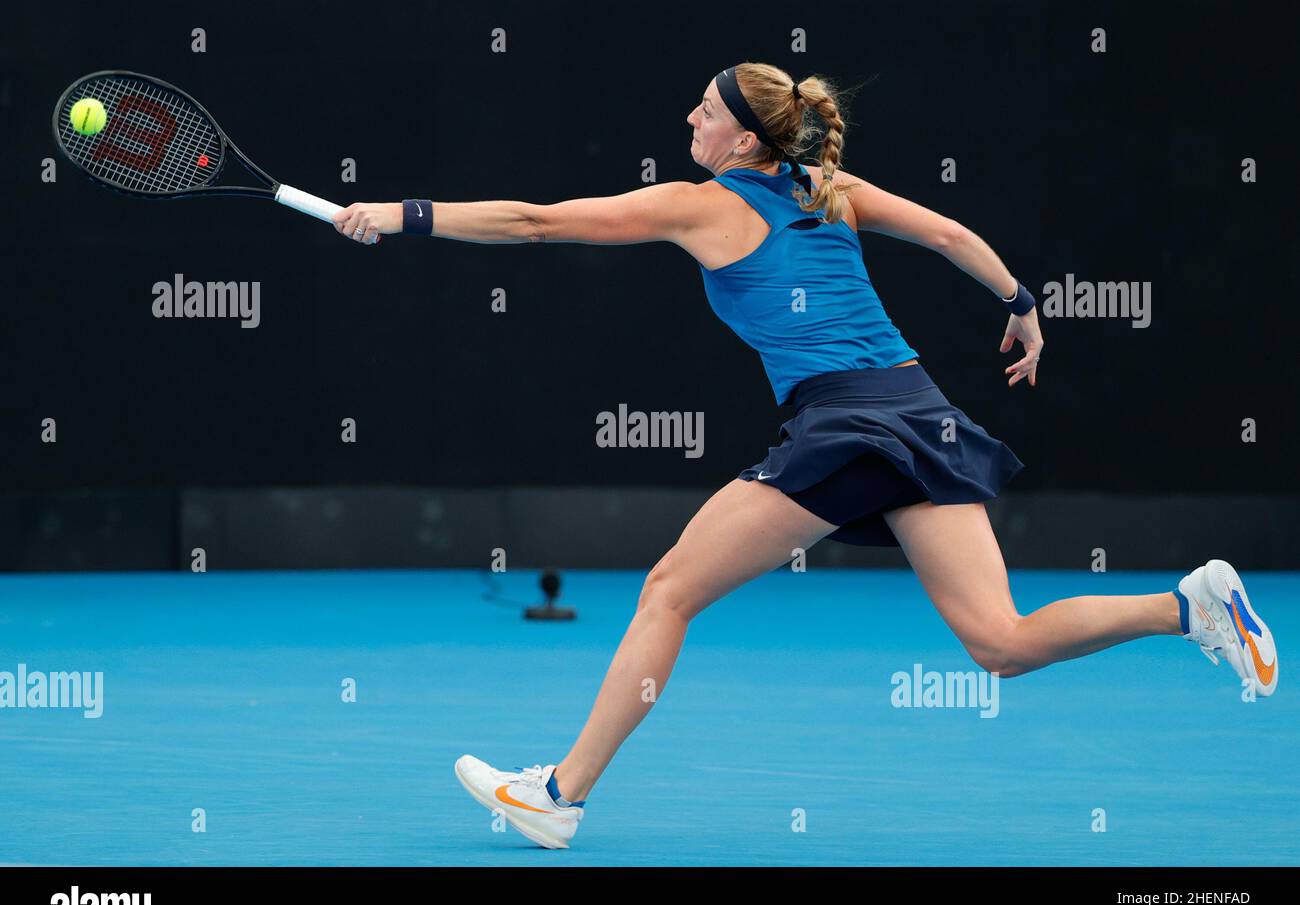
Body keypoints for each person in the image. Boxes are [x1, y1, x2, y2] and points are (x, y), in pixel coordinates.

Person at [332, 62, 1279, 850]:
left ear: (746, 139)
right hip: (924, 413)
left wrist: (399, 214)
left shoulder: (699, 206)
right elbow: (950, 234)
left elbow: (536, 221)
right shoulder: (832, 190)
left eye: (705, 110)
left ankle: (559, 796)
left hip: (843, 423)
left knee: (670, 588)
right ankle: (1186, 604)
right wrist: (1022, 304)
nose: (689, 118)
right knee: (1000, 642)